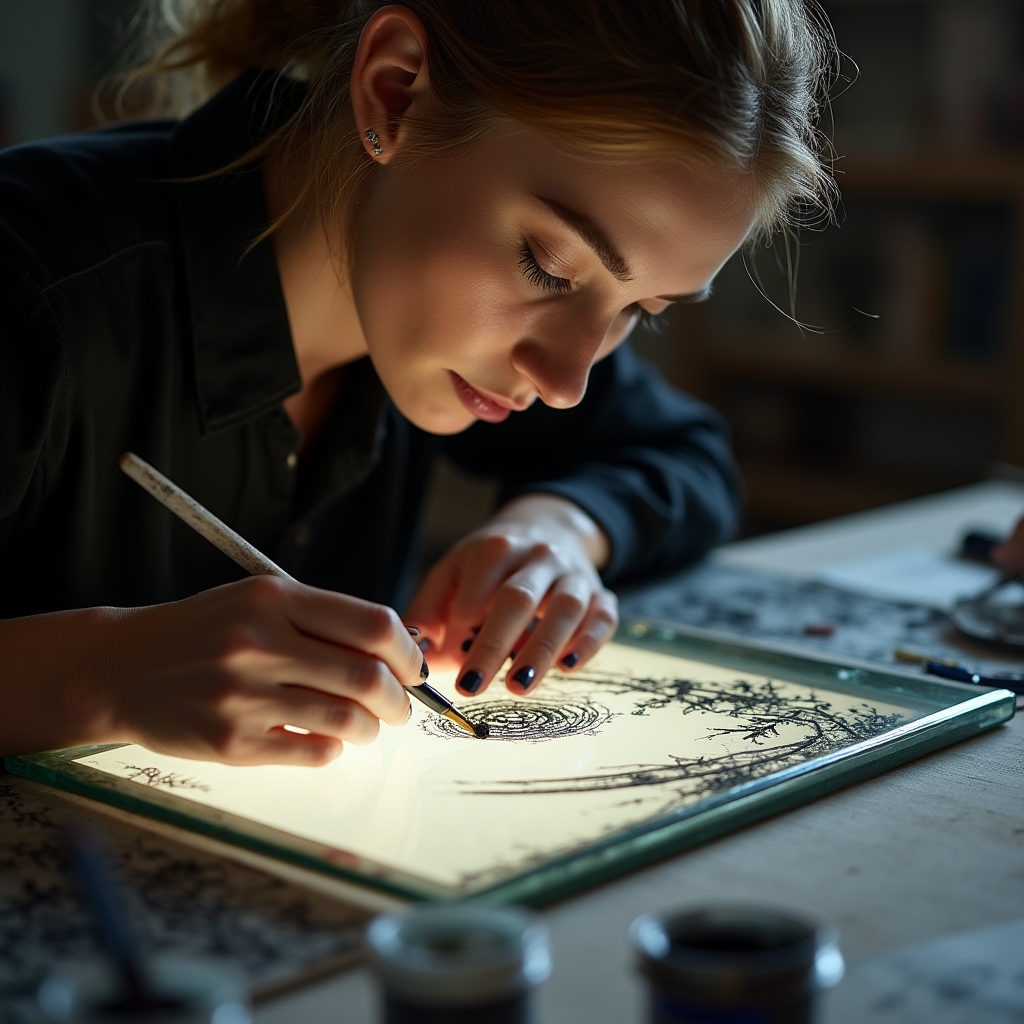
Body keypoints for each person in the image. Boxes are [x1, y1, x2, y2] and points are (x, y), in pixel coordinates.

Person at [0, 1, 836, 764]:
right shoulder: (31, 286)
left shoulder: (438, 302)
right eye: (548, 264)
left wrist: (558, 532)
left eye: (642, 310)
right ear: (394, 94)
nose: (567, 380)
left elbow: (681, 450)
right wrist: (96, 676)